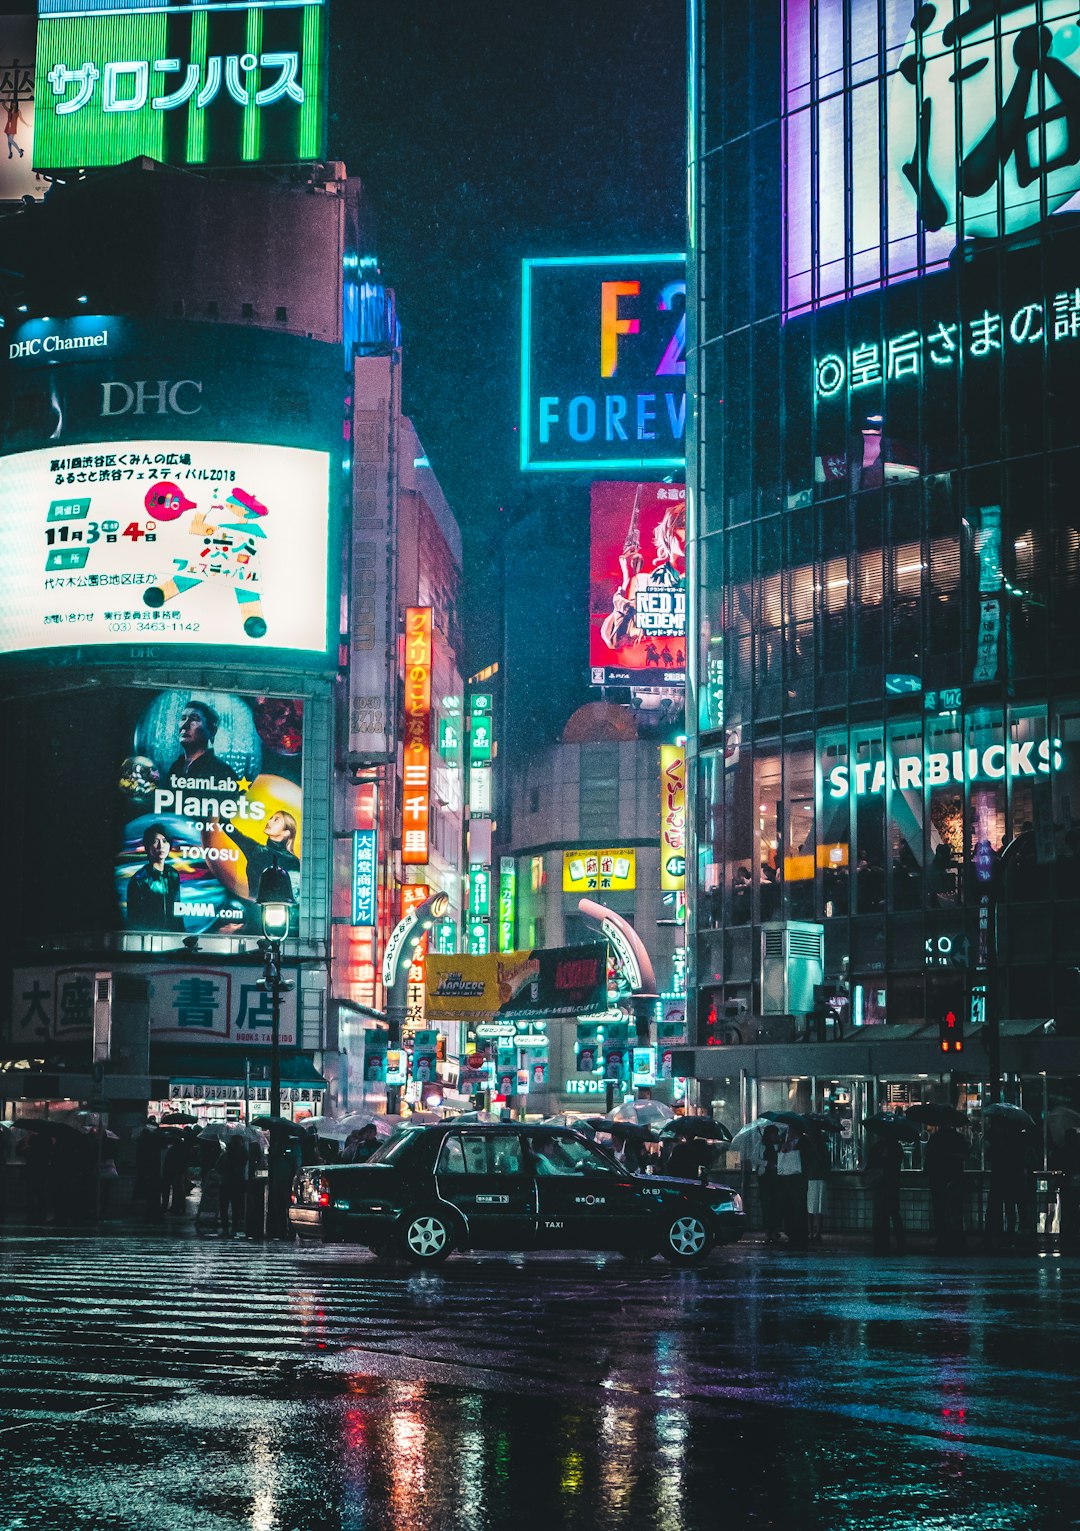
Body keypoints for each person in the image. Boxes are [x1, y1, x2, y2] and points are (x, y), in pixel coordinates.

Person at [225, 810, 300, 897]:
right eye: (271, 818)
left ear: (286, 832)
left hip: (277, 908)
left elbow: (295, 896)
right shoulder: (256, 850)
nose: (269, 821)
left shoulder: (292, 861)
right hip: (254, 908)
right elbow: (229, 829)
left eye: (276, 820)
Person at [127, 823, 184, 931]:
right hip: (149, 938)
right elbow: (134, 919)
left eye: (164, 841)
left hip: (173, 938)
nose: (160, 846)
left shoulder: (173, 874)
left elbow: (177, 911)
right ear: (148, 847)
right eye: (155, 841)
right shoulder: (140, 879)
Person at [166, 700, 235, 787]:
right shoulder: (175, 766)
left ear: (212, 731)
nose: (184, 725)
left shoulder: (223, 772)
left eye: (194, 719)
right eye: (183, 718)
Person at [925, 1123, 968, 1254]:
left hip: (938, 1179)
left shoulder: (935, 1138)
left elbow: (928, 1156)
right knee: (955, 1210)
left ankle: (942, 1238)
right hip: (954, 1178)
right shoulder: (958, 1138)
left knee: (939, 1209)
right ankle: (957, 1238)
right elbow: (966, 1155)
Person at [868, 1132, 905, 1254]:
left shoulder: (879, 1147)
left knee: (883, 1214)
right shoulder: (895, 1147)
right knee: (893, 1213)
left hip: (884, 1185)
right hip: (891, 1184)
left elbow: (871, 1165)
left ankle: (882, 1243)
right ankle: (897, 1243)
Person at [777, 1125, 808, 1249]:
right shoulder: (785, 1143)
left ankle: (800, 1234)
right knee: (788, 1207)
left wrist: (794, 1151)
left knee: (799, 1207)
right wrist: (783, 1150)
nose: (788, 1133)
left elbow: (807, 1158)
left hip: (798, 1179)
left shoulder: (804, 1142)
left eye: (791, 1130)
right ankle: (790, 1233)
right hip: (787, 1180)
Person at [1051, 1129, 1080, 1252]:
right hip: (1074, 1184)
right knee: (1074, 1209)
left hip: (1066, 1183)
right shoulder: (1076, 1150)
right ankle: (1075, 1230)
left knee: (1067, 1209)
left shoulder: (1062, 1150)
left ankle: (1067, 1234)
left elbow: (1055, 1163)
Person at [756, 1123, 783, 1244]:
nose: (776, 1136)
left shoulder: (780, 1145)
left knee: (777, 1206)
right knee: (767, 1206)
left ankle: (776, 1231)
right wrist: (767, 1163)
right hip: (765, 1178)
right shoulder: (761, 1146)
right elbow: (754, 1158)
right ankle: (768, 1232)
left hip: (778, 1179)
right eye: (774, 1134)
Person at [219, 1134, 250, 1237]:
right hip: (237, 1182)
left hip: (227, 1182)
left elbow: (218, 1166)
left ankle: (226, 1228)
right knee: (235, 1206)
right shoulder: (243, 1153)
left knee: (225, 1206)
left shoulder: (227, 1154)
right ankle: (233, 1228)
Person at [804, 1129, 830, 1244]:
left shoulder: (811, 1149)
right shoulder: (823, 1149)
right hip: (819, 1178)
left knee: (811, 1208)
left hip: (812, 1178)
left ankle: (811, 1232)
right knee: (818, 1208)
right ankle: (816, 1232)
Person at [161, 1134, 190, 1217]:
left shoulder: (171, 1150)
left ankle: (170, 1206)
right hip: (178, 1172)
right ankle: (178, 1207)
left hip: (171, 1172)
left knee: (171, 1190)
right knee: (178, 1190)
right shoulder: (183, 1150)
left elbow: (167, 1162)